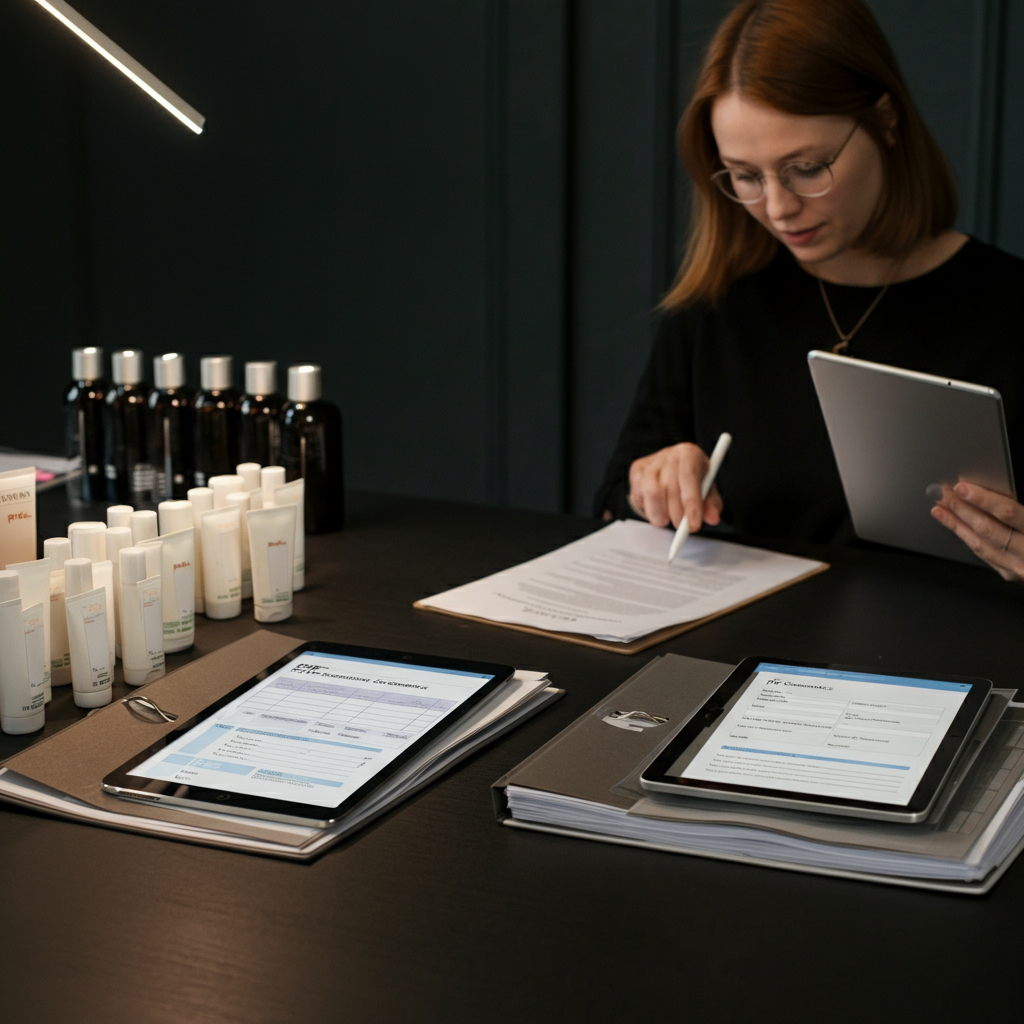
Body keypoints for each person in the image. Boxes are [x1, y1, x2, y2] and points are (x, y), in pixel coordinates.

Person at [594, 0, 1024, 583]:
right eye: (746, 176)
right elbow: (612, 499)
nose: (776, 207)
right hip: (748, 657)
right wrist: (652, 486)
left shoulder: (1008, 306)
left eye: (806, 167)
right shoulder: (717, 302)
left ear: (887, 120)